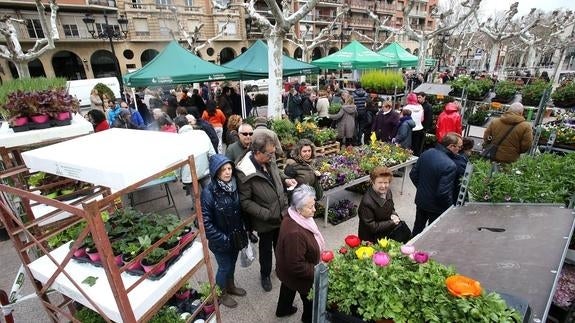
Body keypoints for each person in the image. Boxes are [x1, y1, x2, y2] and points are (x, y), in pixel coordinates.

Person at [236, 133, 297, 292]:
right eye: (269, 154)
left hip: (281, 213)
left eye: (273, 153)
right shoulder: (246, 172)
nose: (272, 156)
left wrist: (285, 179)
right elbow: (245, 201)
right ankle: (265, 275)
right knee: (265, 250)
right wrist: (266, 213)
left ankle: (280, 268)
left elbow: (277, 173)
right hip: (265, 219)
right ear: (257, 153)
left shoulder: (269, 159)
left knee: (281, 244)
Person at [201, 154, 248, 308]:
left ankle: (231, 286)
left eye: (229, 168)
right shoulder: (209, 192)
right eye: (223, 170)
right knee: (224, 267)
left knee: (232, 264)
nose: (228, 172)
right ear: (216, 172)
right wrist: (223, 239)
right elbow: (206, 223)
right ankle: (221, 294)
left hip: (235, 236)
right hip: (221, 241)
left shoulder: (234, 186)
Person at [275, 185, 324, 322]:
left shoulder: (293, 215)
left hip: (286, 270)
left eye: (314, 205)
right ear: (299, 209)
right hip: (299, 275)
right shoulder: (295, 233)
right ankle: (308, 319)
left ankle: (283, 310)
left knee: (287, 287)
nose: (314, 209)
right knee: (310, 301)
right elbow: (297, 266)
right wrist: (317, 271)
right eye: (310, 207)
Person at [409, 132, 462, 236]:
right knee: (431, 234)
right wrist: (450, 208)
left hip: (421, 201)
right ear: (451, 146)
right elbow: (443, 193)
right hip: (436, 207)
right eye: (459, 147)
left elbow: (413, 174)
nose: (460, 150)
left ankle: (409, 249)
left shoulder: (427, 153)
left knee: (417, 229)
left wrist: (422, 189)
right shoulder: (450, 165)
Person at [358, 166, 402, 243]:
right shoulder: (367, 202)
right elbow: (372, 227)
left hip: (384, 233)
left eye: (386, 182)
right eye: (380, 182)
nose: (383, 186)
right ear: (372, 181)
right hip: (372, 239)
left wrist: (394, 214)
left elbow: (391, 207)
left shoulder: (388, 191)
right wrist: (392, 223)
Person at [452, 137, 474, 203]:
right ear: (467, 149)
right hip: (455, 197)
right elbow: (462, 183)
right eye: (471, 148)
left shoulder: (456, 157)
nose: (472, 150)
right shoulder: (462, 163)